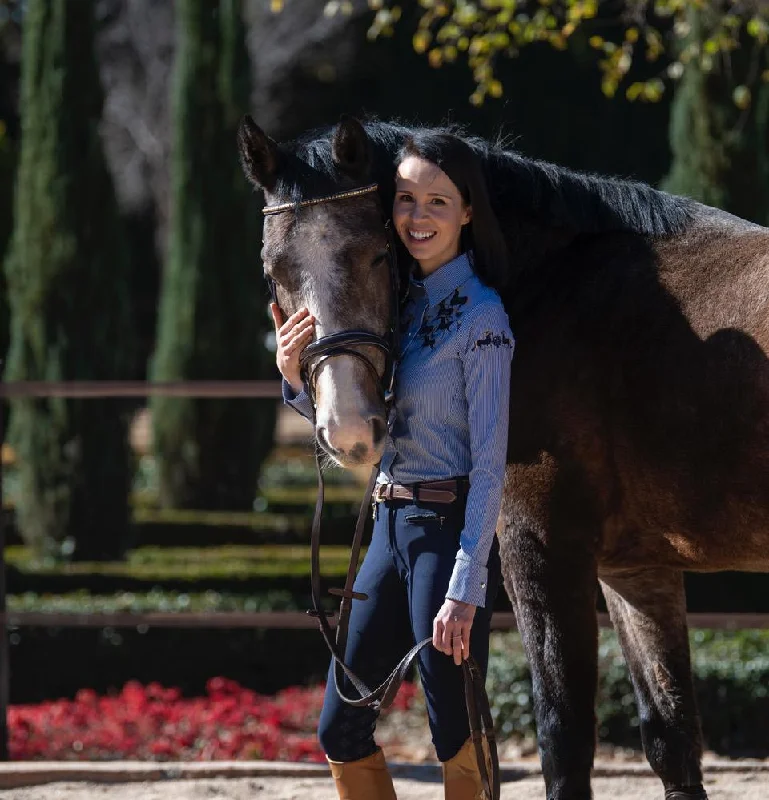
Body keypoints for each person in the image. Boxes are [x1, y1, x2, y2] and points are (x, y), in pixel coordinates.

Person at [273, 131, 514, 800]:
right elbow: (360, 418)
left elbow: (490, 466)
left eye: (437, 201)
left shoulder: (483, 320)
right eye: (405, 199)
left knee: (453, 732)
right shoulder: (395, 306)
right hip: (385, 529)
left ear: (467, 211)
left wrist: (466, 584)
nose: (417, 216)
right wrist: (294, 379)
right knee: (338, 729)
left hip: (445, 534)